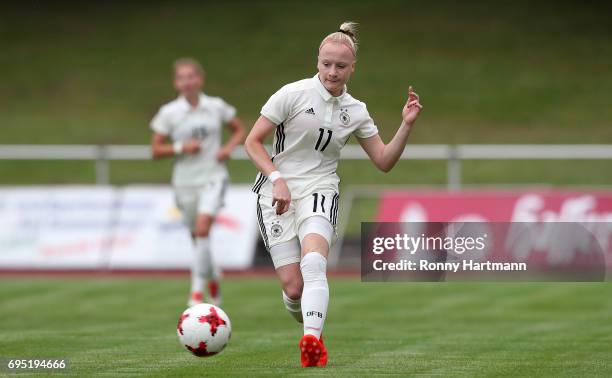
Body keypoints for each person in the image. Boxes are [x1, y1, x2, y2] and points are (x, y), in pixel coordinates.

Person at [244, 22, 423, 367]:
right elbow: (252, 142)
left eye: (341, 66)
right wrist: (277, 177)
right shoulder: (292, 94)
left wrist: (406, 124)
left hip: (321, 189)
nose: (332, 71)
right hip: (275, 194)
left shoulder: (355, 110)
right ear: (317, 62)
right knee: (294, 289)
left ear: (352, 68)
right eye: (327, 63)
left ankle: (312, 342)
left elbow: (384, 160)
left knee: (314, 262)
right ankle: (308, 318)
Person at [150, 58, 245, 307]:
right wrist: (181, 147)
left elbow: (239, 129)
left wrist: (227, 149)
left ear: (200, 79)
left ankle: (195, 294)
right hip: (184, 181)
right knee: (197, 238)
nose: (188, 81)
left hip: (213, 175)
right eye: (182, 77)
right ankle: (212, 277)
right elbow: (155, 149)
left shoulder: (215, 106)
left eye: (191, 76)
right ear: (176, 83)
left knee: (203, 228)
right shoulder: (169, 113)